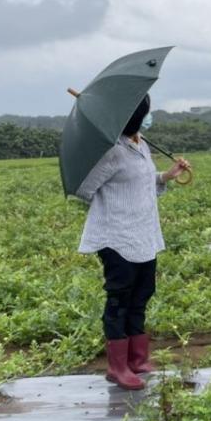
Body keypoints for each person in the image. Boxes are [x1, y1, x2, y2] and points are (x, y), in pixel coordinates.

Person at [75, 94, 191, 390]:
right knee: (120, 299)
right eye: (146, 113)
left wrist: (168, 175)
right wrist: (112, 197)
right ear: (135, 118)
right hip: (115, 237)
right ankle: (117, 367)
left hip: (143, 234)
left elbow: (147, 181)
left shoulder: (142, 146)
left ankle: (138, 358)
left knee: (142, 293)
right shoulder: (112, 152)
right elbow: (85, 189)